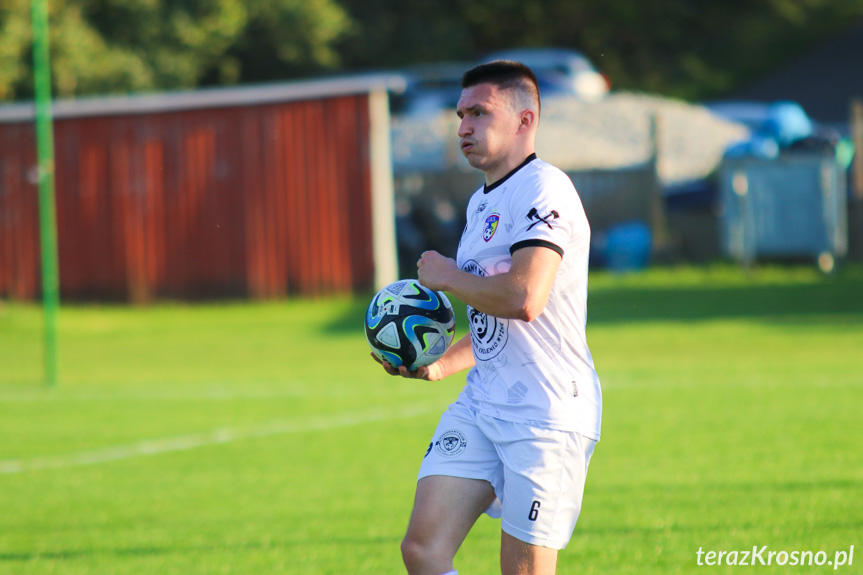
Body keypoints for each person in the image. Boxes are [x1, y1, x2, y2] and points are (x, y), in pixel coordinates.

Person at [373, 60, 602, 575]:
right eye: (460, 115)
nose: (463, 128)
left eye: (479, 112)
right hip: (482, 403)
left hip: (545, 412)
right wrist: (438, 366)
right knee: (423, 550)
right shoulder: (481, 204)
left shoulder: (546, 190)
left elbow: (524, 298)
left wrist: (448, 274)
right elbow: (493, 324)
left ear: (525, 120)